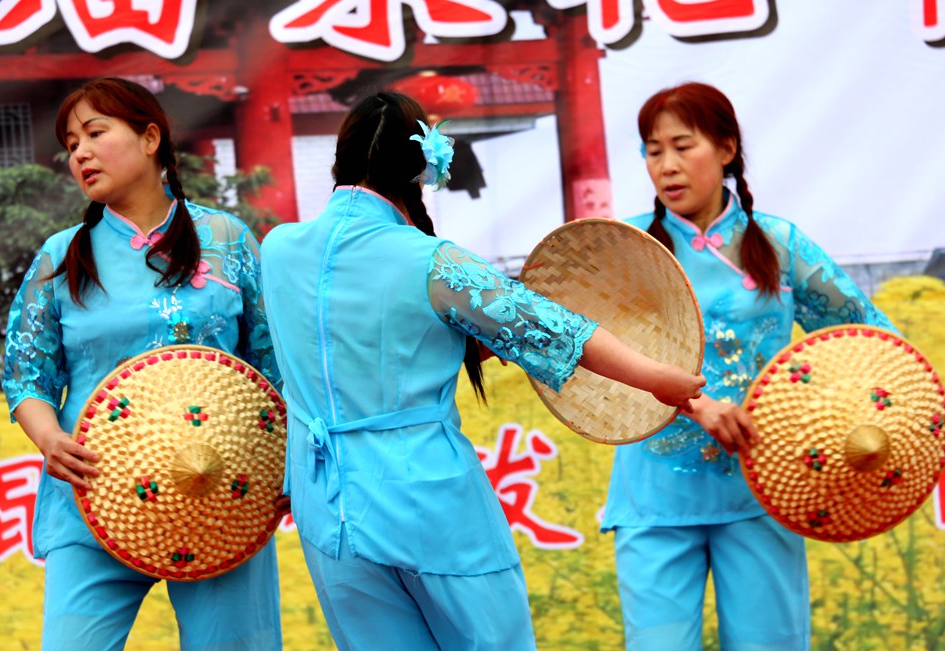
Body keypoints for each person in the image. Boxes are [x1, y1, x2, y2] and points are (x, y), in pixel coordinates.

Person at [258, 91, 706, 651]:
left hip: (326, 503)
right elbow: (558, 329)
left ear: (339, 160)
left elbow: (325, 355)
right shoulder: (431, 261)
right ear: (421, 167)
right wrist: (658, 378)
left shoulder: (278, 248)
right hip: (424, 495)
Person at [603, 81, 945, 650]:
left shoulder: (779, 243)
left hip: (767, 485)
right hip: (654, 492)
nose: (667, 166)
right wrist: (697, 405)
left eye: (683, 146)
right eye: (653, 151)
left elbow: (865, 330)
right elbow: (594, 364)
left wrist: (926, 387)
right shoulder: (626, 249)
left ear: (726, 149)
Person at [1, 77, 283, 651]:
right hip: (91, 497)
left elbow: (276, 366)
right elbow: (26, 376)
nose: (80, 153)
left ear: (150, 138)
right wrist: (50, 439)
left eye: (94, 134)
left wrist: (285, 465)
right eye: (71, 144)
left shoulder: (226, 238)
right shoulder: (61, 255)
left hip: (221, 497)